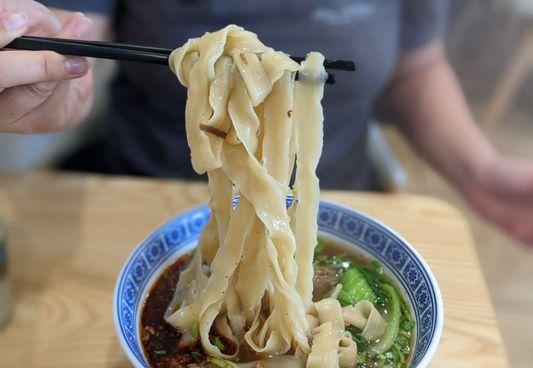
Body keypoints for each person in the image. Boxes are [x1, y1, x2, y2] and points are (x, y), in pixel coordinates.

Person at [0, 0, 532, 245]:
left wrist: (479, 171)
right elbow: (79, 37)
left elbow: (416, 65)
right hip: (147, 197)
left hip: (335, 206)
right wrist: (49, 81)